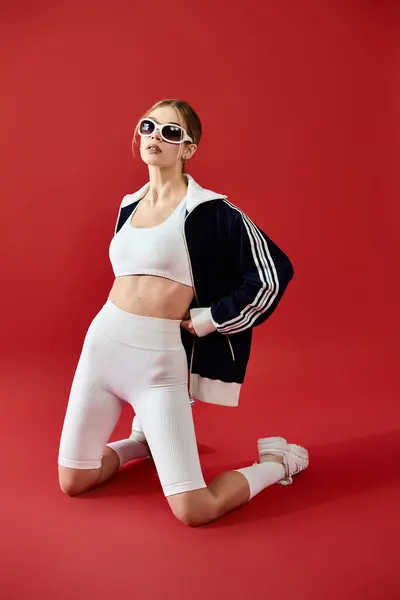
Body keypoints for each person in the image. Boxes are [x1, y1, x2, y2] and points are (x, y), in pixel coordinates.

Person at [58, 99, 308, 527]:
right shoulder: (129, 205)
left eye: (171, 132)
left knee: (195, 510)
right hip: (100, 349)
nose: (156, 135)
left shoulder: (212, 211)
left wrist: (213, 319)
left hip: (156, 363)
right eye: (149, 125)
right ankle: (143, 444)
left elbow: (272, 274)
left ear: (188, 149)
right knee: (74, 480)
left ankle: (278, 463)